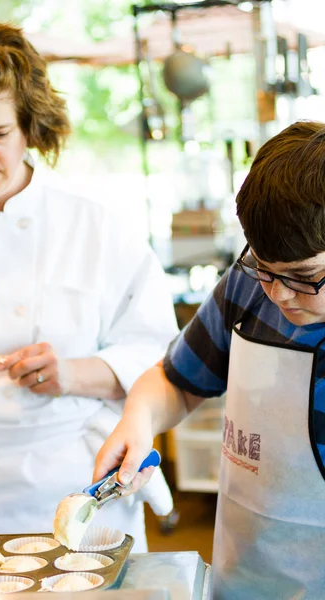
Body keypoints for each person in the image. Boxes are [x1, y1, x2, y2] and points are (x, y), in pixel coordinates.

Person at [0, 20, 179, 551]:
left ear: (29, 123)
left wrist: (72, 373)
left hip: (65, 484)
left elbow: (160, 352)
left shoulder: (93, 222)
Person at [93, 120, 325, 597]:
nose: (278, 293)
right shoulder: (247, 289)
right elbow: (176, 380)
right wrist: (138, 421)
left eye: (303, 276)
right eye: (264, 266)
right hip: (242, 575)